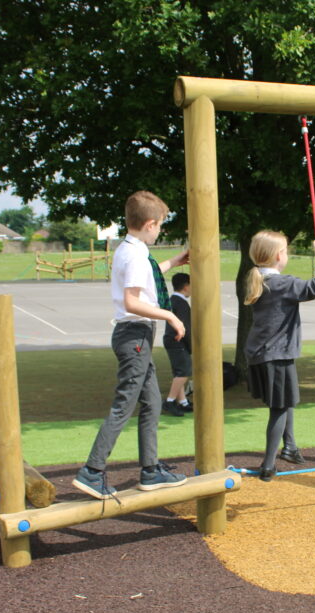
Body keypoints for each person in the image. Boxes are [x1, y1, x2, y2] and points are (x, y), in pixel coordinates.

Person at [72, 190, 189, 499]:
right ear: (150, 224)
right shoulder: (136, 254)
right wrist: (171, 317)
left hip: (135, 337)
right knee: (125, 404)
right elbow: (132, 301)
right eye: (161, 224)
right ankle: (92, 471)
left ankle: (150, 471)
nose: (161, 229)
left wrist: (174, 261)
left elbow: (146, 277)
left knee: (152, 402)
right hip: (134, 335)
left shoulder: (130, 248)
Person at [244, 231, 315, 481]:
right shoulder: (281, 284)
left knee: (285, 401)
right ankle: (269, 465)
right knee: (280, 407)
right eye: (286, 250)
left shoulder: (258, 279)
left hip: (262, 353)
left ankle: (290, 447)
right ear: (278, 256)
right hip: (276, 354)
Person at [162, 271, 193, 417]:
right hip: (177, 341)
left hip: (170, 340)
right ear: (186, 286)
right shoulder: (182, 304)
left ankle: (183, 402)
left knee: (178, 372)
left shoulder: (173, 300)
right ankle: (170, 401)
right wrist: (191, 346)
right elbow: (185, 327)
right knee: (184, 371)